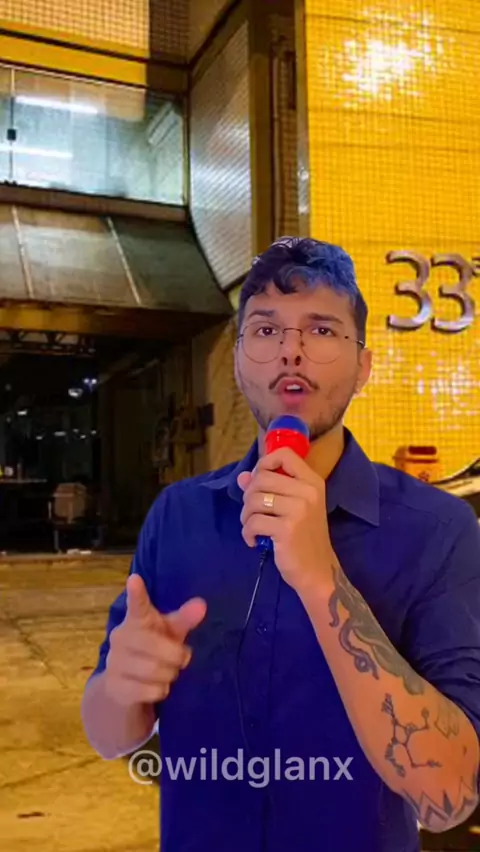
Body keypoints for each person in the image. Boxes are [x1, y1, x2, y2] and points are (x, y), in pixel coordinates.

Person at [81, 237, 480, 852]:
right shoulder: (178, 515)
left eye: (321, 330)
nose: (291, 351)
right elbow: (109, 735)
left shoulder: (439, 530)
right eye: (266, 330)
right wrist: (122, 688)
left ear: (364, 366)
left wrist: (322, 581)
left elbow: (450, 795)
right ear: (241, 362)